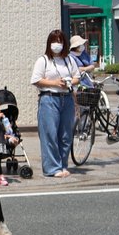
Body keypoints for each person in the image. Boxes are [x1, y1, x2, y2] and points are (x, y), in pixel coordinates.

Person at [30, 29, 78, 178]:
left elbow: (77, 77)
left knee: (66, 135)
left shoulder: (69, 60)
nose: (57, 44)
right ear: (49, 43)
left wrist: (69, 82)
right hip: (49, 98)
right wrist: (55, 83)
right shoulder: (43, 60)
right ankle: (52, 168)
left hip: (67, 98)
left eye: (60, 41)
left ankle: (63, 165)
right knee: (49, 133)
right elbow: (36, 80)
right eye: (54, 41)